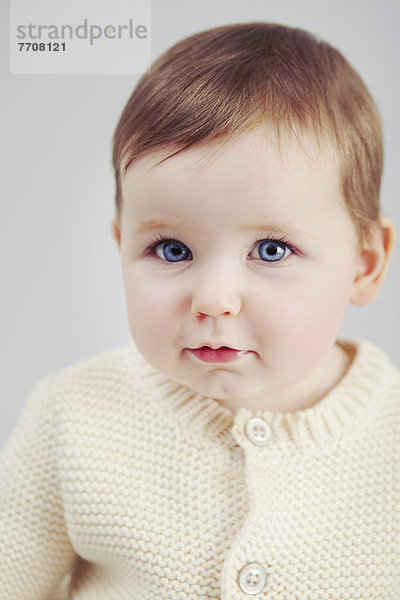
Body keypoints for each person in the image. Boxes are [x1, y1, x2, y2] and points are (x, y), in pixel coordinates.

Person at [0, 22, 398, 599]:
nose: (213, 299)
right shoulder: (74, 417)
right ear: (121, 247)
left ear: (363, 264)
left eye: (271, 250)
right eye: (172, 250)